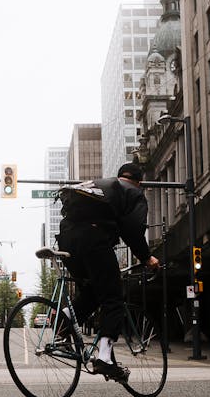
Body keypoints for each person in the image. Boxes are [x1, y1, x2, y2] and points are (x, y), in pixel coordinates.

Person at [58, 161, 159, 383]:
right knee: (114, 297)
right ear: (139, 181)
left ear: (119, 176)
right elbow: (133, 229)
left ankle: (62, 326)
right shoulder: (134, 193)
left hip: (66, 239)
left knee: (96, 291)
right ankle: (104, 357)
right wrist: (146, 257)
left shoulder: (100, 185)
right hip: (93, 240)